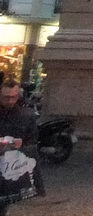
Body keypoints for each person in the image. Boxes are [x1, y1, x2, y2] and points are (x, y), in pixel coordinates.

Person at [0, 79, 41, 214]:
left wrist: (22, 144)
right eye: (6, 97)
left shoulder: (26, 115)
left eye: (14, 97)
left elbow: (33, 139)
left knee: (3, 202)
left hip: (10, 167)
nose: (10, 101)